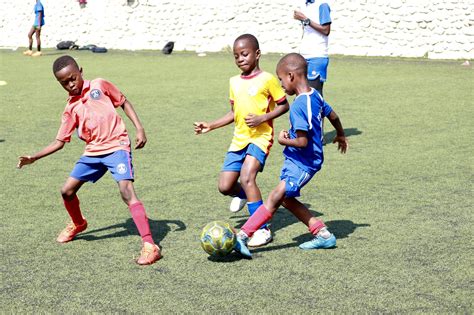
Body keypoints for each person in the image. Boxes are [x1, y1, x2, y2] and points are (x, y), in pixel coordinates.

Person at [17, 55, 161, 266]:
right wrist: (34, 157)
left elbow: (123, 102)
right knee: (66, 191)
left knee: (126, 191)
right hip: (93, 153)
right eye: (64, 83)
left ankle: (150, 246)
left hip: (116, 146)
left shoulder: (100, 85)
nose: (70, 85)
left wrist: (139, 128)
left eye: (73, 78)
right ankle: (78, 223)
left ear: (81, 71)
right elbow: (59, 141)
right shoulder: (70, 108)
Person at [233, 53, 348, 258]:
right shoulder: (315, 95)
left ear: (291, 76)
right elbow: (333, 115)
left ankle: (242, 236)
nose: (281, 84)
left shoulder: (298, 106)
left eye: (281, 79)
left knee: (275, 197)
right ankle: (322, 234)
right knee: (286, 200)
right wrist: (340, 134)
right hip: (297, 160)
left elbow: (302, 142)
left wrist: (283, 140)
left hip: (305, 162)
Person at [194, 34, 289, 247]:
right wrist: (211, 125)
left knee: (247, 177)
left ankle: (262, 229)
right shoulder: (234, 82)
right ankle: (245, 195)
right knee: (225, 186)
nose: (240, 59)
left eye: (244, 54)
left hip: (260, 138)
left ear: (257, 54)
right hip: (239, 139)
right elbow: (233, 112)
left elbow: (284, 105)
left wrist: (263, 118)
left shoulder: (267, 79)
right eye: (236, 56)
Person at [294, 0, 332, 96]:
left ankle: (324, 112)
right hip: (303, 55)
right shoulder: (305, 4)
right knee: (302, 94)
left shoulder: (322, 4)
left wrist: (306, 19)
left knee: (314, 94)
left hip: (317, 55)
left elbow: (326, 30)